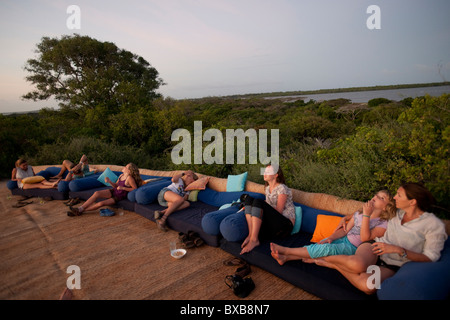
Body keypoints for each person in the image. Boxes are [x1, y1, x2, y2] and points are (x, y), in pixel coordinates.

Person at [308, 182, 448, 295]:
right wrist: (347, 217)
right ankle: (327, 256)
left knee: (369, 286)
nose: (394, 198)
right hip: (373, 247)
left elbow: (430, 257)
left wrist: (400, 250)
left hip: (392, 262)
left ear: (412, 202)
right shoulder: (396, 213)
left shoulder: (433, 226)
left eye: (399, 195)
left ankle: (334, 264)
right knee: (358, 264)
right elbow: (369, 212)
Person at [270, 190, 396, 265]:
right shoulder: (359, 213)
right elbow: (345, 230)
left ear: (386, 207)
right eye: (376, 195)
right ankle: (287, 258)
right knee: (322, 244)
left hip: (355, 249)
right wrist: (330, 237)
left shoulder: (382, 224)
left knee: (325, 248)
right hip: (345, 239)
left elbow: (364, 238)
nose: (375, 197)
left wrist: (367, 216)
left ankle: (286, 251)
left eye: (381, 198)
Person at [240, 165, 295, 255]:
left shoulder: (282, 188)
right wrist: (255, 206)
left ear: (276, 175)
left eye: (268, 172)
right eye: (264, 171)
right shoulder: (267, 188)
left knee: (258, 202)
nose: (264, 174)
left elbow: (278, 211)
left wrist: (262, 205)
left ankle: (254, 240)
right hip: (273, 223)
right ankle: (250, 235)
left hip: (285, 225)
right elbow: (269, 206)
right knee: (249, 200)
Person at [68, 163, 142, 216]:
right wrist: (109, 181)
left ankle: (80, 210)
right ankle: (80, 208)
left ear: (129, 171)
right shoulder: (121, 175)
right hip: (114, 191)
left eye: (126, 167)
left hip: (118, 196)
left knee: (101, 203)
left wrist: (123, 188)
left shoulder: (129, 178)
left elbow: (134, 188)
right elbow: (116, 185)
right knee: (97, 193)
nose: (124, 167)